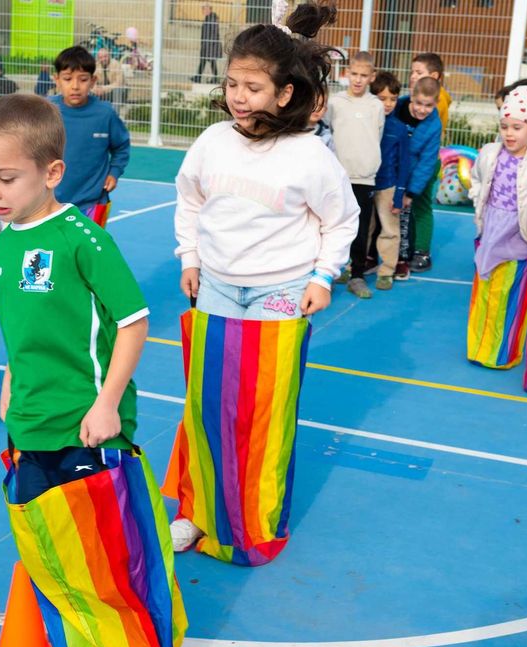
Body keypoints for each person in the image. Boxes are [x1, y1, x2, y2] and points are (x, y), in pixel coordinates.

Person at [0, 94, 187, 647]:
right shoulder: (3, 243)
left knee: (107, 555)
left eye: (6, 178)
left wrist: (108, 403)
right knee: (52, 548)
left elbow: (134, 322)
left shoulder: (81, 238)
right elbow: (20, 322)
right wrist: (13, 374)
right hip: (30, 423)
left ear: (52, 172)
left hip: (86, 426)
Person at [169, 0, 358, 561]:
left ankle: (255, 521)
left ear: (284, 94)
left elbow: (341, 219)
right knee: (206, 409)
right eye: (231, 84)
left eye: (252, 87)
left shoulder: (309, 156)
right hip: (218, 290)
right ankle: (197, 513)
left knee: (264, 415)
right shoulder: (212, 142)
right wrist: (190, 259)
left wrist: (324, 277)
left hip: (279, 294)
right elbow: (189, 201)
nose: (238, 96)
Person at [466, 85, 527, 369]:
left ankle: (501, 354)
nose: (510, 133)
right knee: (485, 289)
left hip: (518, 232)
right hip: (490, 227)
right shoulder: (490, 153)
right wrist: (477, 198)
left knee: (508, 292)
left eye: (517, 127)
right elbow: (477, 178)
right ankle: (478, 348)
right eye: (504, 127)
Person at [326, 50, 384, 299]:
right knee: (333, 226)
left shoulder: (376, 105)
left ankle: (357, 274)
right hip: (338, 177)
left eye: (364, 75)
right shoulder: (336, 102)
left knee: (361, 229)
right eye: (354, 74)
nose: (358, 80)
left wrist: (368, 163)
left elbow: (376, 136)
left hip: (364, 177)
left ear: (372, 76)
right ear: (347, 73)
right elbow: (328, 131)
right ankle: (331, 272)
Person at [50, 46, 131, 222]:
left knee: (90, 249)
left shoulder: (105, 113)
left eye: (83, 79)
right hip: (50, 203)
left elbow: (121, 146)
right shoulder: (46, 111)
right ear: (57, 80)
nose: (75, 86)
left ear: (93, 81)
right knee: (52, 249)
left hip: (93, 203)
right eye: (67, 79)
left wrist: (114, 172)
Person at [393, 76, 442, 281]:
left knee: (419, 208)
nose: (422, 109)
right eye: (419, 103)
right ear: (412, 96)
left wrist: (412, 192)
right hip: (398, 167)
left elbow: (426, 161)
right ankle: (397, 249)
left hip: (423, 169)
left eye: (428, 105)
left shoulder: (434, 125)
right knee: (395, 210)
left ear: (436, 103)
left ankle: (421, 251)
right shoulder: (396, 108)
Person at [406, 52, 450, 273]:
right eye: (412, 71)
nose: (413, 76)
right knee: (408, 208)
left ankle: (421, 250)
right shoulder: (414, 99)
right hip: (412, 162)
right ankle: (410, 247)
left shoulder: (436, 102)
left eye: (418, 72)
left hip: (426, 162)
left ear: (434, 76)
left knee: (420, 206)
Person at [368, 71, 408, 291]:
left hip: (388, 186)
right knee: (363, 226)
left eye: (393, 99)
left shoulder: (399, 129)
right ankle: (352, 265)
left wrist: (400, 193)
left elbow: (404, 163)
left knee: (390, 230)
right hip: (365, 182)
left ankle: (387, 270)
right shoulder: (365, 123)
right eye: (382, 98)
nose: (388, 104)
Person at [192, 3, 221, 83]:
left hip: (210, 45)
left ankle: (212, 79)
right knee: (205, 61)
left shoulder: (212, 18)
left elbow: (214, 33)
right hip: (208, 45)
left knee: (211, 62)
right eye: (203, 9)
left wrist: (208, 45)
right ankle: (199, 77)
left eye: (206, 9)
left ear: (210, 10)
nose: (204, 11)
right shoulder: (209, 18)